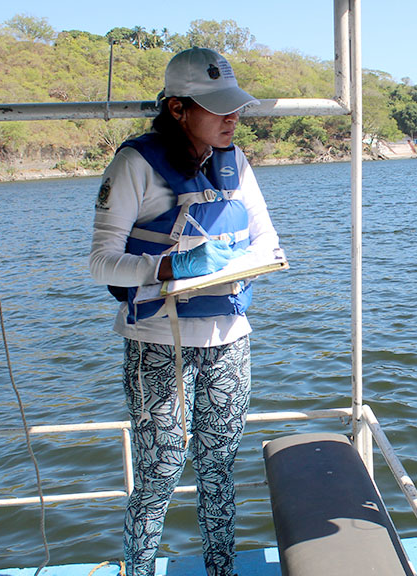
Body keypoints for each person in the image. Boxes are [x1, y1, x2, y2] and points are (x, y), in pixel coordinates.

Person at [89, 47, 280, 576]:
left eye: (234, 107)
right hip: (157, 341)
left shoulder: (235, 161)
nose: (231, 117)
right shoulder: (134, 164)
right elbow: (101, 263)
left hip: (229, 340)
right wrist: (169, 268)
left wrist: (248, 261)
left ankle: (222, 570)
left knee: (219, 467)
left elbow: (266, 241)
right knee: (159, 468)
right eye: (217, 108)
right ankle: (140, 568)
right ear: (177, 108)